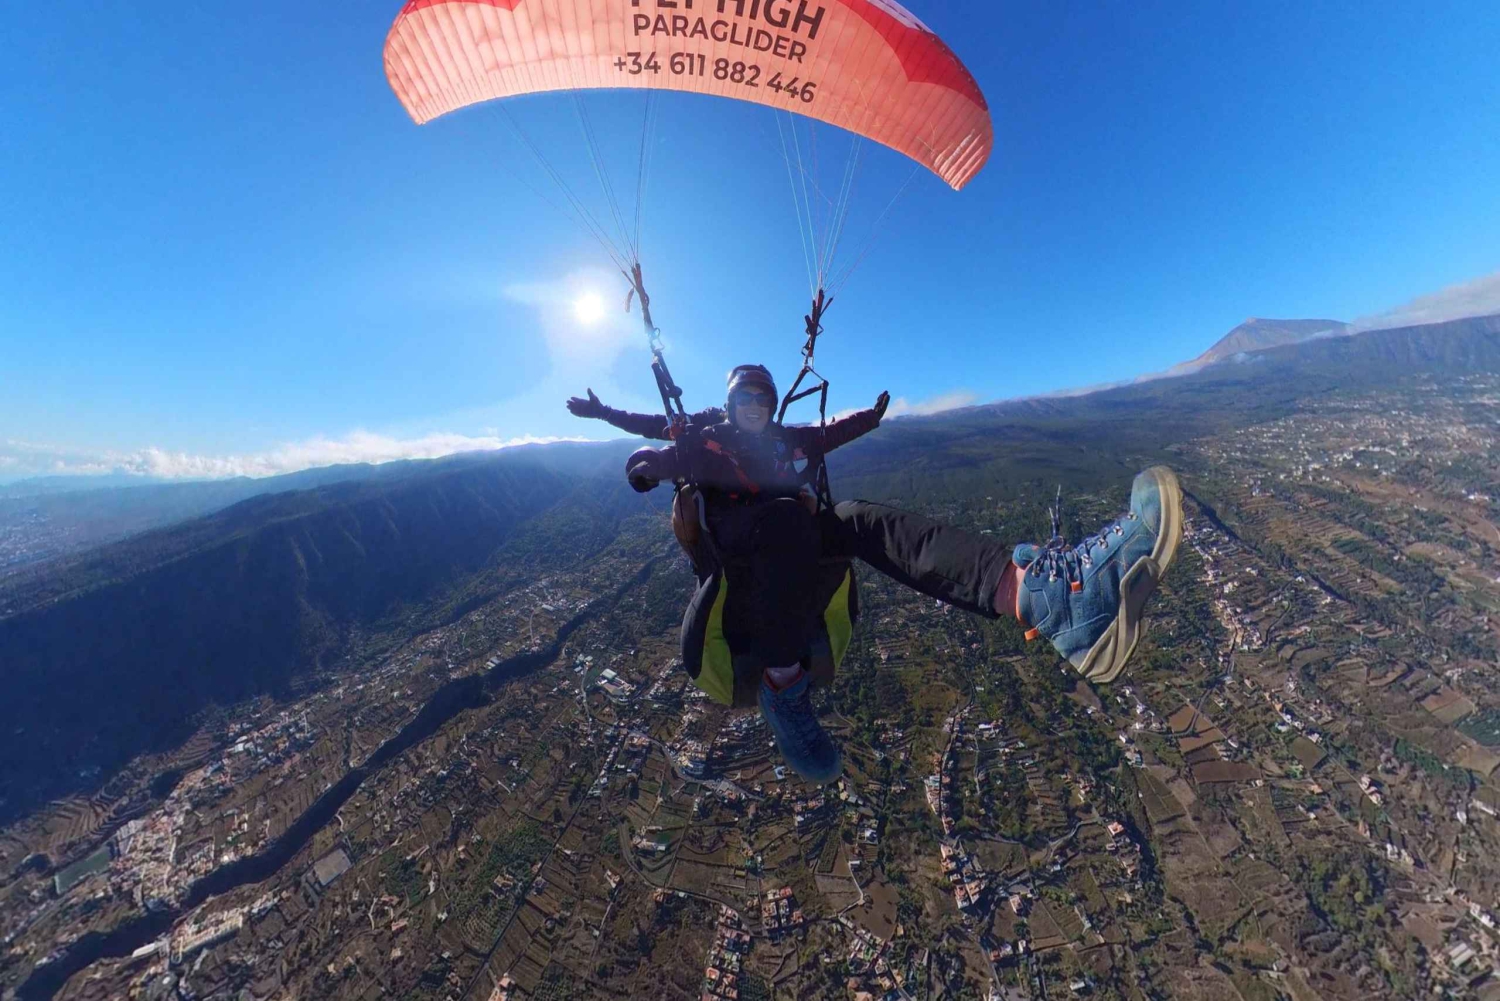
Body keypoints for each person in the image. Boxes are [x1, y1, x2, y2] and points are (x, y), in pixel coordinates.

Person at [569, 366, 1184, 786]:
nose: (754, 409)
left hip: (797, 543)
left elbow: (832, 434)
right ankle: (784, 693)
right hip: (743, 564)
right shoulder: (706, 443)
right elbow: (658, 444)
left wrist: (874, 416)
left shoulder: (791, 440)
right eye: (744, 401)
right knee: (786, 523)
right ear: (730, 405)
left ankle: (1044, 598)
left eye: (762, 399)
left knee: (859, 519)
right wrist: (638, 459)